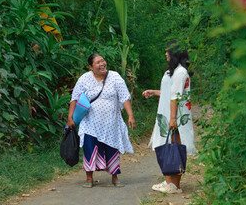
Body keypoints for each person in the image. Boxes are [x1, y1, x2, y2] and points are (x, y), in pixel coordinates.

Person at [67, 53, 135, 188]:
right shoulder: (84, 79)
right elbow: (74, 98)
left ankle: (115, 177)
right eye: (98, 62)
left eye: (103, 61)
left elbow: (124, 97)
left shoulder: (115, 77)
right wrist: (70, 117)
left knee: (112, 148)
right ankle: (89, 178)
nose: (102, 64)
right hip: (90, 123)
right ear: (91, 67)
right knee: (89, 148)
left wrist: (130, 115)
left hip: (111, 123)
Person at [142, 40, 196, 194]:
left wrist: (173, 118)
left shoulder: (180, 72)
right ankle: (170, 183)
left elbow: (176, 96)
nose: (165, 53)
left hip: (175, 116)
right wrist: (154, 92)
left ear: (174, 53)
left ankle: (173, 185)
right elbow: (169, 92)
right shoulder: (172, 71)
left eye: (167, 51)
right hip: (167, 114)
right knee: (167, 147)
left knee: (174, 148)